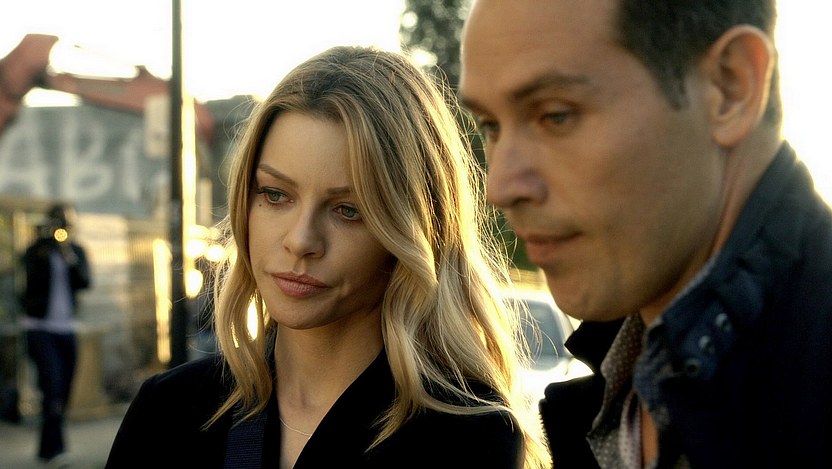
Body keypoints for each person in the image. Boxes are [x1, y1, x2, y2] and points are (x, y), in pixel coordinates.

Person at [106, 45, 551, 469]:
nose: (301, 240)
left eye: (348, 210)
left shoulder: (468, 438)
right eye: (275, 195)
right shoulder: (168, 411)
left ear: (413, 229)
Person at [459, 1, 832, 468]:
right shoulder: (623, 385)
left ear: (731, 86)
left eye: (556, 115)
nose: (499, 187)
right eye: (490, 126)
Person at [20, 202, 91, 465]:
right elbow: (27, 280)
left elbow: (85, 282)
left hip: (67, 328)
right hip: (40, 329)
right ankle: (56, 450)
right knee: (52, 388)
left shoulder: (75, 251)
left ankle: (45, 448)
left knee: (64, 392)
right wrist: (45, 245)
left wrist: (67, 255)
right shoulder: (37, 251)